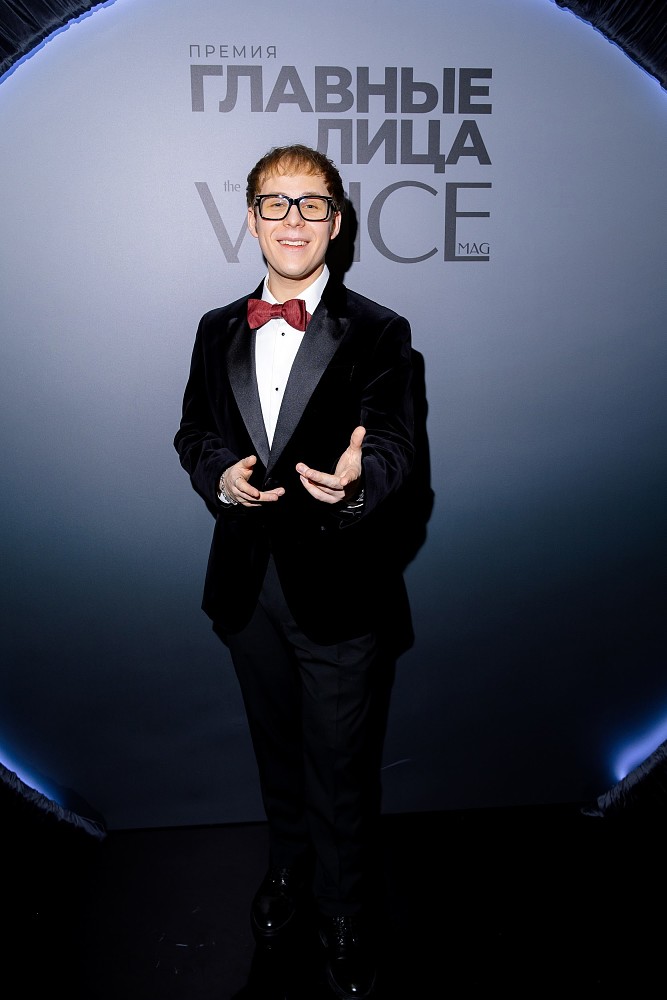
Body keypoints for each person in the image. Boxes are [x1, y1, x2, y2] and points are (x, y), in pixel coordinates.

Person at [174, 143, 415, 1000]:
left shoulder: (381, 331)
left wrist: (359, 481)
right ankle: (286, 867)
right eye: (274, 203)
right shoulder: (215, 328)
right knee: (275, 747)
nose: (293, 220)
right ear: (250, 219)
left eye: (312, 204)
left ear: (336, 222)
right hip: (246, 587)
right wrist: (219, 476)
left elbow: (394, 448)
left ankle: (345, 909)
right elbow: (193, 432)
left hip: (340, 586)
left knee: (339, 765)